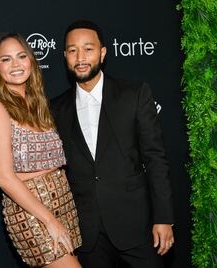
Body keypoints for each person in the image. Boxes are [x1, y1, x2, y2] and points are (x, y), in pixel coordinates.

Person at [50, 20, 174, 268]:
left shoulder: (134, 94)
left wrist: (164, 218)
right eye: (73, 50)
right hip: (87, 233)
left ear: (102, 53)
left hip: (136, 226)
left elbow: (155, 158)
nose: (80, 57)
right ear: (65, 56)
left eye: (88, 49)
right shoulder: (55, 109)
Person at [0, 32, 82, 268]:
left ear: (31, 61)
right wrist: (49, 220)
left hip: (62, 203)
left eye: (21, 56)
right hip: (31, 213)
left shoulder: (38, 104)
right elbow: (5, 178)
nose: (15, 64)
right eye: (5, 59)